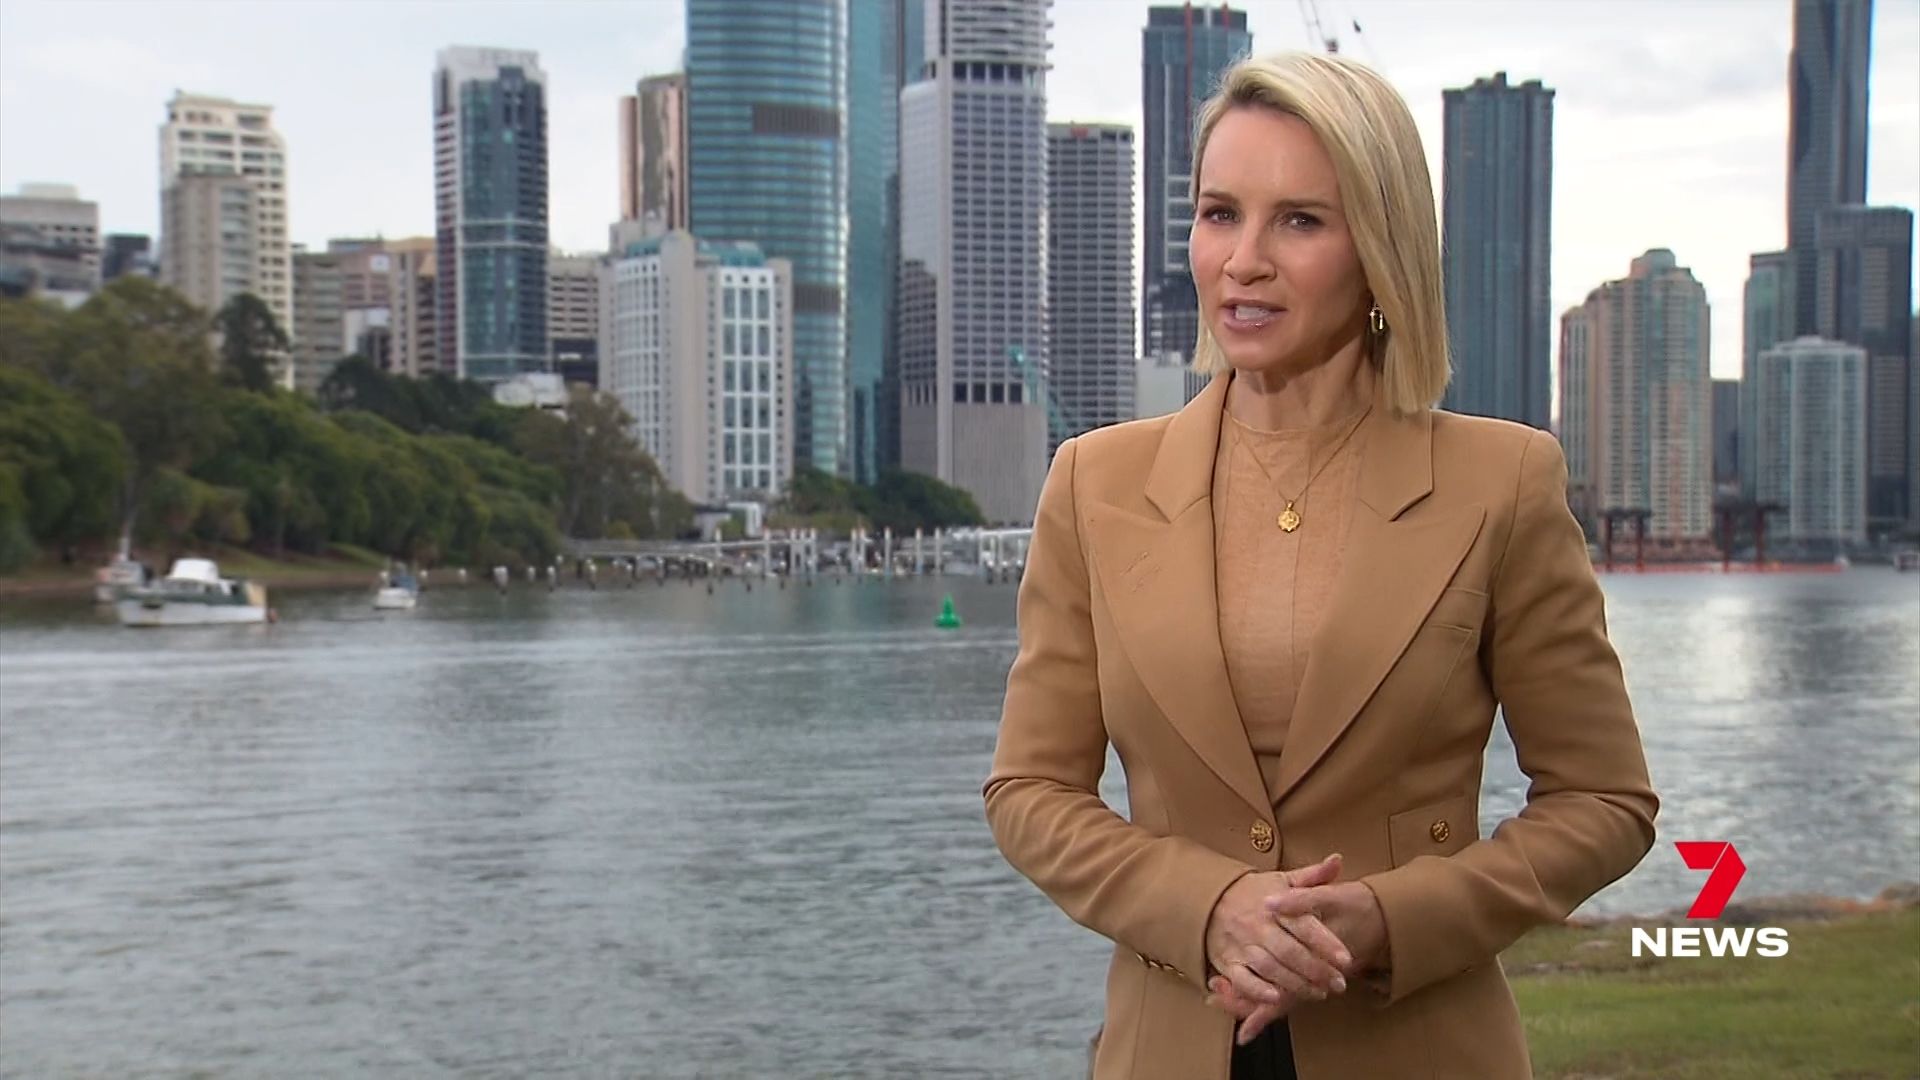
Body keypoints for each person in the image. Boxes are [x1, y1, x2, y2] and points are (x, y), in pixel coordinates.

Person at [983, 52, 1657, 1080]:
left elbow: (1605, 802)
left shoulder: (1503, 482)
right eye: (1219, 214)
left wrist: (1389, 919)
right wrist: (1206, 905)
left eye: (1298, 221)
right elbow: (1030, 790)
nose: (1243, 260)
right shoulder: (1093, 484)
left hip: (1420, 1048)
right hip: (1170, 1048)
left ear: (1378, 249)